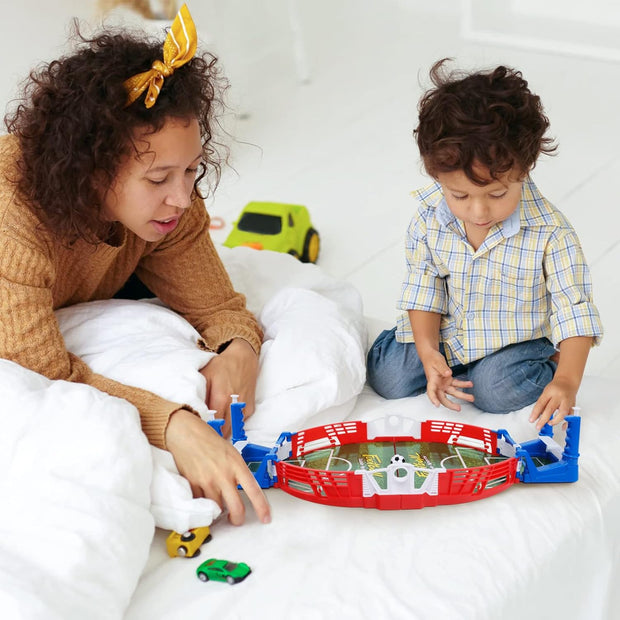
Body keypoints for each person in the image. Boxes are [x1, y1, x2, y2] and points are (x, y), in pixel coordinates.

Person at [0, 5, 270, 525]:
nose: (181, 197)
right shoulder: (14, 218)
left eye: (191, 170)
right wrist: (174, 425)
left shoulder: (173, 211)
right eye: (157, 179)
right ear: (90, 168)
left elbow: (219, 307)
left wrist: (240, 348)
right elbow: (39, 374)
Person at [367, 59, 603, 430]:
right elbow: (424, 288)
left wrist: (567, 380)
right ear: (436, 175)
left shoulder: (551, 233)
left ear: (524, 169)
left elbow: (574, 309)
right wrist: (428, 351)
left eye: (496, 194)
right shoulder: (429, 218)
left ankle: (544, 364)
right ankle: (443, 361)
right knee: (388, 377)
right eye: (459, 195)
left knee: (495, 391)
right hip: (449, 335)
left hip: (510, 344)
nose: (478, 211)